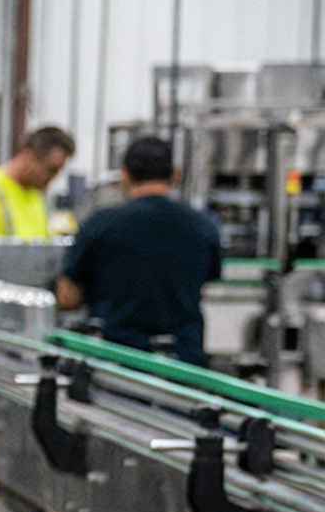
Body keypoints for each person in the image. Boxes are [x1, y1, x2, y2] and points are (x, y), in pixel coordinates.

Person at [57, 135, 223, 365]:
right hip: (184, 362)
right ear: (175, 175)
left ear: (124, 175)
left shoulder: (101, 223)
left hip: (119, 360)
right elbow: (207, 283)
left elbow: (67, 296)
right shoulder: (202, 226)